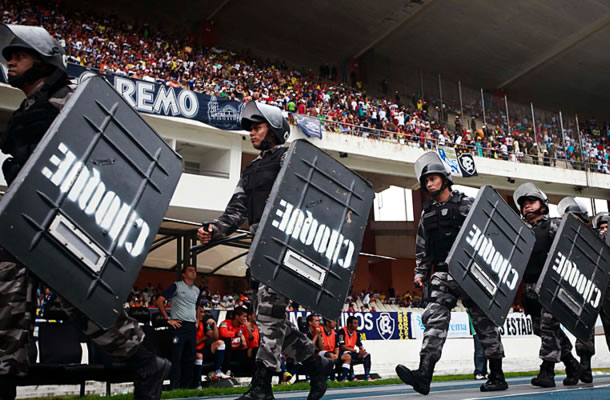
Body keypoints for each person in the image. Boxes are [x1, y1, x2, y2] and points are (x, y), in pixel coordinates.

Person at [0, 24, 170, 400]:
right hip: (24, 218)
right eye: (9, 55)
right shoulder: (28, 109)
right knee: (6, 313)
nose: (10, 60)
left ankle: (147, 364)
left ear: (44, 62)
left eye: (20, 54)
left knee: (85, 307)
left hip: (65, 221)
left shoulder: (72, 100)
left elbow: (105, 159)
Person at [197, 100, 331, 400]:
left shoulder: (291, 158)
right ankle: (315, 362)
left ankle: (262, 385)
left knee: (269, 316)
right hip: (259, 251)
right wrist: (213, 229)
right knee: (270, 319)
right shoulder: (252, 168)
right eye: (251, 129)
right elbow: (236, 211)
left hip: (285, 248)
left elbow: (310, 201)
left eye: (257, 127)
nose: (252, 133)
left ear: (273, 130)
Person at [396, 152, 508, 395]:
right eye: (426, 181)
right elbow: (423, 248)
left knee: (484, 325)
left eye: (433, 179)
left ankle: (497, 375)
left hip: (471, 274)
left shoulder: (467, 204)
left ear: (445, 179)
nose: (429, 184)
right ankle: (424, 374)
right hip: (442, 274)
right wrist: (419, 274)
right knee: (434, 320)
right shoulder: (427, 214)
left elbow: (490, 235)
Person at [513, 185, 583, 388]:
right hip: (530, 288)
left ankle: (547, 371)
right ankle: (571, 364)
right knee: (542, 330)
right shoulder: (522, 231)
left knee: (548, 327)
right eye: (524, 205)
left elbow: (569, 250)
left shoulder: (553, 225)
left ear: (543, 206)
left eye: (531, 202)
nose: (527, 207)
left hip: (551, 286)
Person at [156, 265, 201, 389]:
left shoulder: (197, 290)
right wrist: (168, 319)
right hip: (179, 325)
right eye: (190, 270)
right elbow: (159, 300)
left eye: (194, 270)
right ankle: (175, 386)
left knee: (190, 357)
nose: (193, 272)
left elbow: (197, 306)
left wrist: (197, 320)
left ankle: (187, 387)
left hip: (191, 326)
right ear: (183, 274)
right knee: (177, 356)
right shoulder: (176, 286)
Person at [195, 313, 230, 387]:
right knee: (199, 356)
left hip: (203, 349)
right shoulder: (191, 325)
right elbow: (193, 343)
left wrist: (214, 325)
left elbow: (215, 337)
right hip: (193, 350)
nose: (202, 314)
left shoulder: (204, 324)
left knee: (220, 343)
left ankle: (218, 371)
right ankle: (197, 383)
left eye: (203, 312)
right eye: (201, 312)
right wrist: (204, 338)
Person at [338, 316, 373, 382]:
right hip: (343, 353)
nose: (357, 325)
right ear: (349, 324)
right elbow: (342, 346)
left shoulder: (356, 333)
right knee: (349, 355)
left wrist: (362, 350)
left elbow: (359, 344)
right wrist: (352, 350)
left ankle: (367, 376)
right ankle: (352, 376)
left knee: (367, 355)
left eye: (357, 323)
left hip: (352, 352)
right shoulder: (342, 331)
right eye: (355, 323)